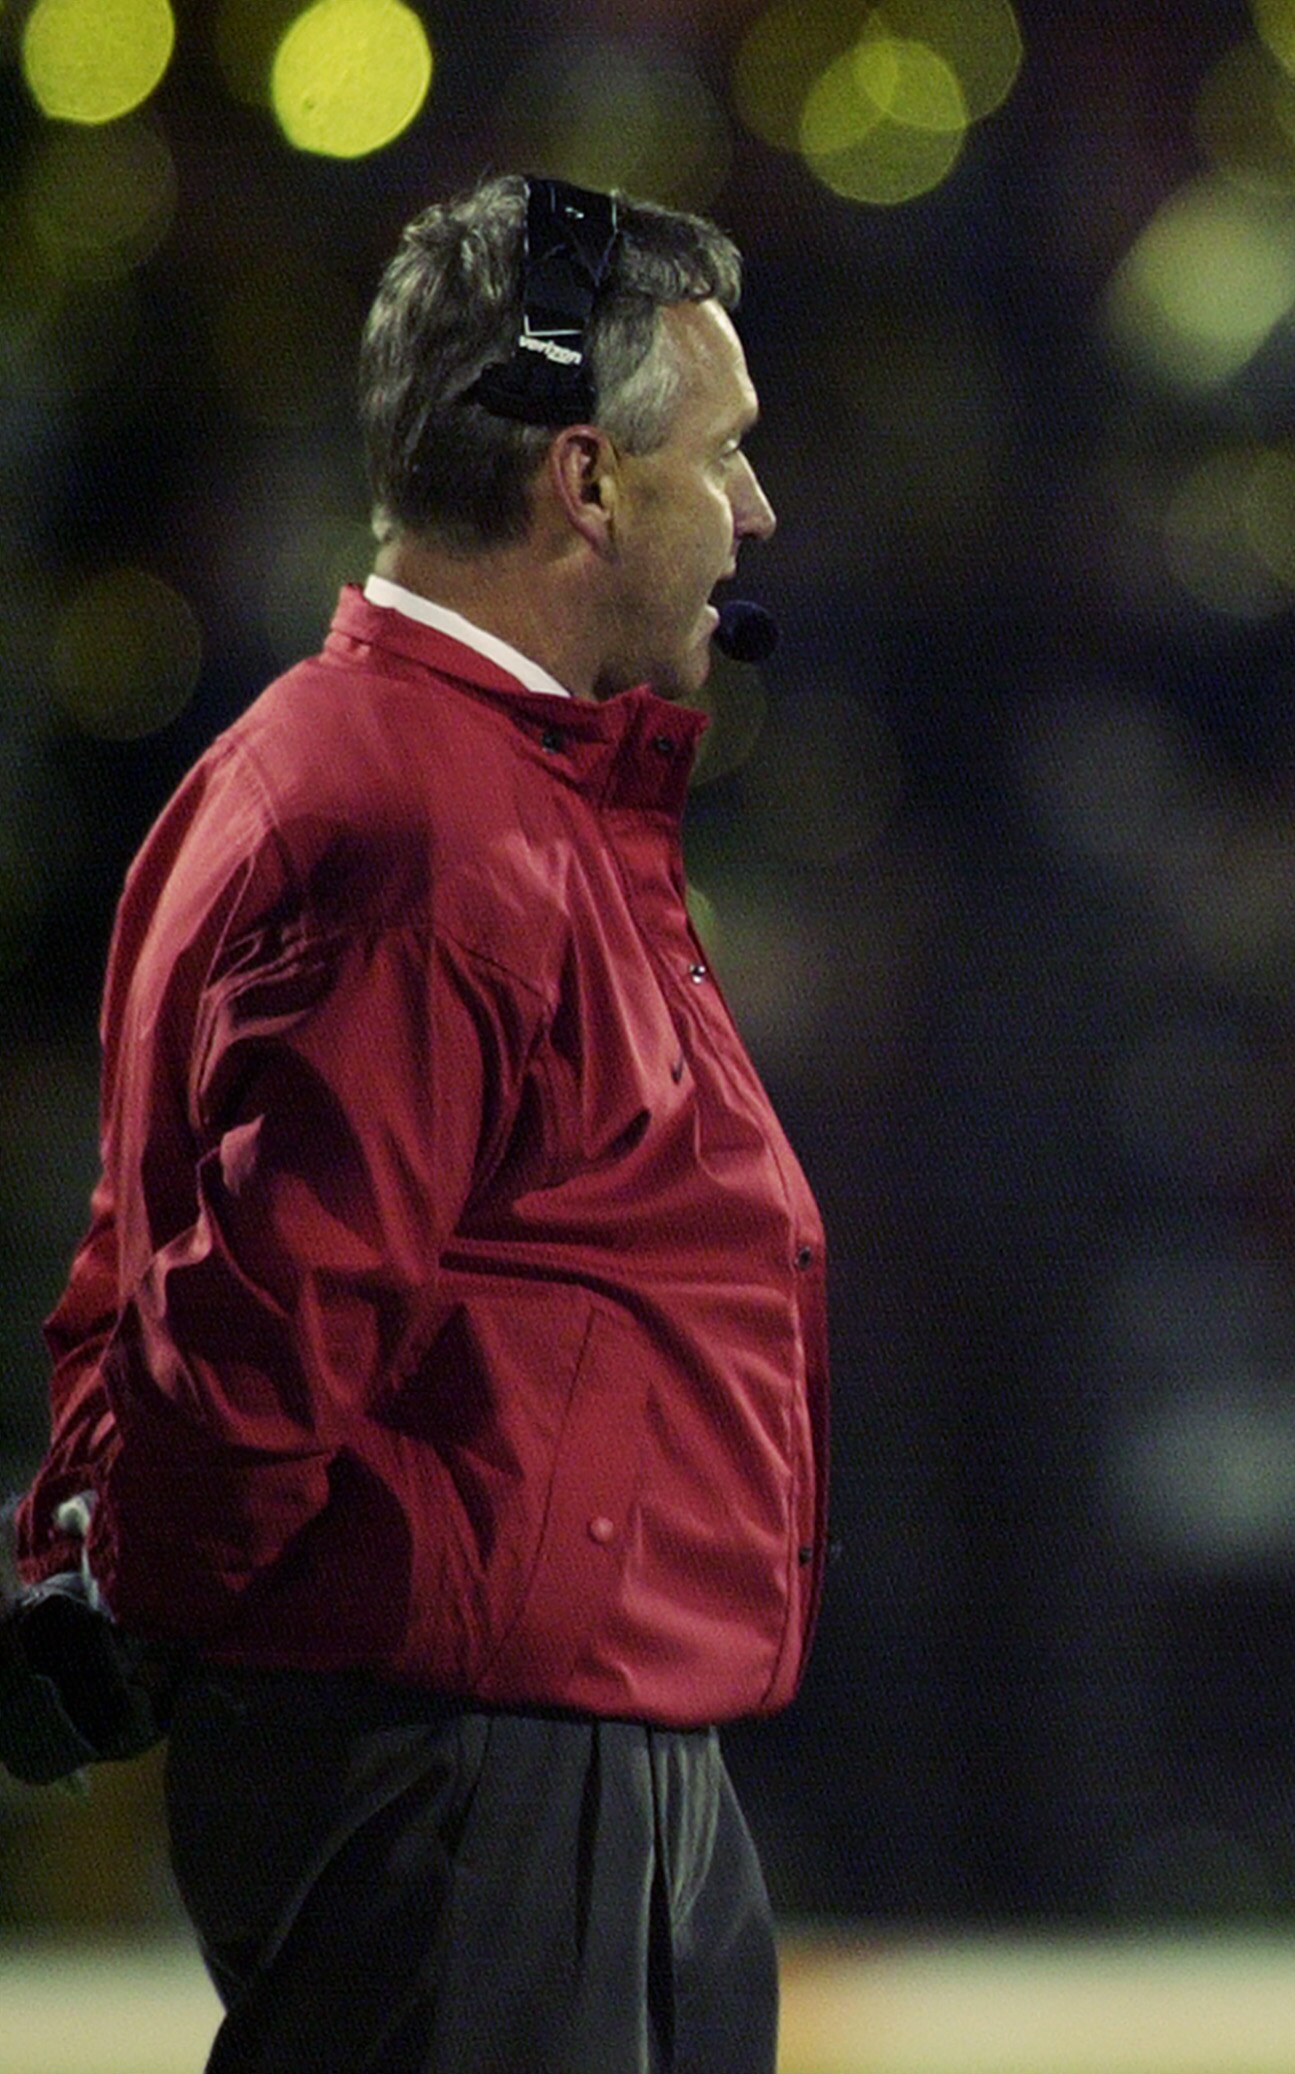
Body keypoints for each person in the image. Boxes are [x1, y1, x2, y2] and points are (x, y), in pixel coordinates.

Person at [3, 174, 820, 2073]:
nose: (757, 513)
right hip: (468, 1782)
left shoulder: (446, 786)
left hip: (530, 1767)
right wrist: (152, 1590)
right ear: (587, 481)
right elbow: (253, 1343)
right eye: (725, 455)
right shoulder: (418, 826)